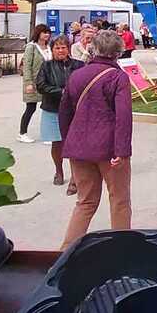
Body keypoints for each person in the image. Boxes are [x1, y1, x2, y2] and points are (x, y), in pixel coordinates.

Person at [59, 30, 133, 249]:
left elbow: (64, 113)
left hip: (78, 146)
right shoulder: (118, 77)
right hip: (109, 148)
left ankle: (65, 252)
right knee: (119, 200)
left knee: (85, 201)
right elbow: (123, 117)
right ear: (118, 52)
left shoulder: (77, 75)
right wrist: (122, 151)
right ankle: (122, 249)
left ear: (93, 49)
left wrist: (68, 143)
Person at [36, 35, 84, 188]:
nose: (61, 50)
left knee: (73, 144)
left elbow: (84, 83)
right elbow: (41, 85)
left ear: (68, 49)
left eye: (63, 47)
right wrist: (61, 92)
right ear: (52, 50)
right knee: (57, 143)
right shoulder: (46, 66)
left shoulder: (79, 65)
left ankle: (74, 177)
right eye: (57, 47)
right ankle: (59, 171)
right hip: (52, 109)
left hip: (73, 110)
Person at [19, 24, 52, 143]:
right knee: (31, 108)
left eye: (48, 32)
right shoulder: (31, 47)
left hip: (48, 82)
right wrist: (28, 83)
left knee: (48, 109)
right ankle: (22, 133)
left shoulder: (49, 47)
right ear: (38, 33)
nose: (47, 35)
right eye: (44, 32)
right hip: (33, 81)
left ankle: (47, 134)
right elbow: (27, 65)